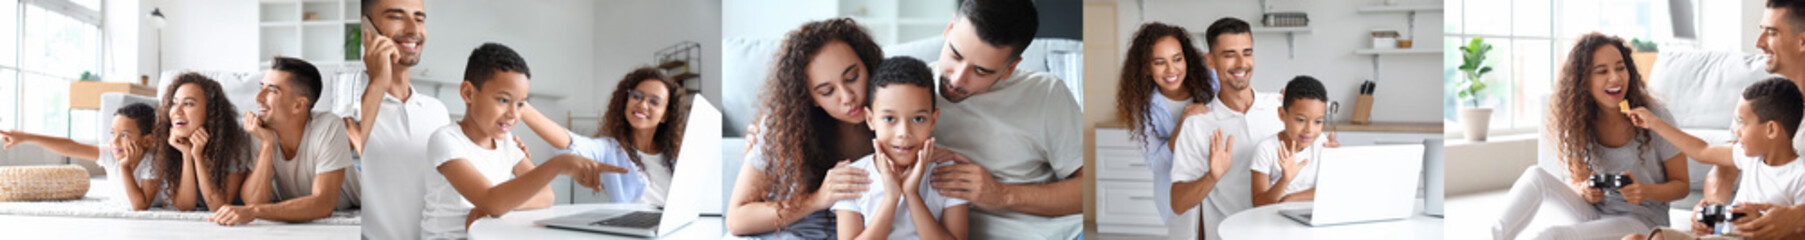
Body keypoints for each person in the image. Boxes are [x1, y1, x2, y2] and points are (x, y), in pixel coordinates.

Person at [1492, 32, 1689, 239]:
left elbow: (1682, 185)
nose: (1615, 77)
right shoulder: (1579, 121)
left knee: (1551, 235)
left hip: (1641, 221)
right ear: (1584, 81)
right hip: (1595, 212)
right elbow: (1578, 180)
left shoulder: (1654, 116)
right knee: (1536, 176)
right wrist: (1584, 190)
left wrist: (1645, 191)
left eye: (1621, 68)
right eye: (1602, 71)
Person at [419, 43, 626, 238]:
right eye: (503, 100)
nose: (513, 114)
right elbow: (492, 200)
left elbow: (546, 196)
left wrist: (495, 207)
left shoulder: (506, 142)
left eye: (520, 104)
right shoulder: (446, 140)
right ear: (468, 93)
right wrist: (559, 163)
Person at [921, 0, 1083, 238]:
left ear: (1010, 68)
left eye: (980, 71)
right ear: (950, 28)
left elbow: (1093, 191)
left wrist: (1002, 195)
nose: (957, 80)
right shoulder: (909, 91)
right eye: (955, 55)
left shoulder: (1046, 94)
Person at [726, 18, 885, 239]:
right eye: (827, 91)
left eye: (852, 77)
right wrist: (817, 199)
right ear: (811, 98)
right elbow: (737, 219)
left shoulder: (895, 108)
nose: (847, 97)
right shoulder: (784, 127)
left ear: (868, 65)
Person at [1623, 78, 1805, 239]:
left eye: (1743, 123)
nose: (1737, 130)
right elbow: (1701, 150)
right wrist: (1653, 122)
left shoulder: (1799, 176)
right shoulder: (1749, 157)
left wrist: (1762, 226)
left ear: (1771, 129)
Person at [1167, 17, 1283, 240]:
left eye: (1247, 53)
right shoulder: (1198, 124)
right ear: (1210, 61)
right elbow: (1179, 203)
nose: (1241, 63)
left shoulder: (1279, 109)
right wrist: (1212, 176)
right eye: (1230, 55)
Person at [208, 57, 361, 225]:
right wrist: (267, 144)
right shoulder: (261, 131)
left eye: (272, 90)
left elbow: (323, 204)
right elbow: (254, 200)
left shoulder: (328, 126)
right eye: (261, 87)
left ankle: (353, 130)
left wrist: (255, 212)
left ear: (298, 105)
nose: (259, 97)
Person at [833, 56, 970, 240]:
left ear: (933, 120)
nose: (904, 133)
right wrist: (891, 198)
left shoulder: (949, 174)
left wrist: (912, 195)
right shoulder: (853, 178)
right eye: (890, 119)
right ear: (871, 120)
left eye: (918, 119)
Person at [517, 67, 689, 205]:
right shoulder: (610, 149)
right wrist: (519, 105)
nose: (643, 105)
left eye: (654, 101)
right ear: (625, 101)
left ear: (665, 115)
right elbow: (569, 142)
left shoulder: (678, 153)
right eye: (637, 96)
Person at [356, 0, 455, 238]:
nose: (413, 29)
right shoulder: (347, 107)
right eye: (396, 16)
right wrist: (378, 82)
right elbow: (339, 163)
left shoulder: (436, 110)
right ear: (365, 29)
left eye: (419, 19)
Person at [1113, 22, 1216, 234]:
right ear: (1147, 69)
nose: (1171, 69)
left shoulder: (1209, 79)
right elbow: (1156, 164)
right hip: (1180, 192)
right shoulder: (1144, 107)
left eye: (1177, 59)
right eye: (1160, 62)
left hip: (1219, 184)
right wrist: (1181, 126)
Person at [0, 103, 165, 210]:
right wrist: (27, 137)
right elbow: (71, 147)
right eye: (112, 133)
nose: (114, 141)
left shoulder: (152, 161)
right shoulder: (111, 153)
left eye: (124, 135)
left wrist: (124, 167)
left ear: (147, 140)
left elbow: (139, 205)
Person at [154, 73, 256, 212]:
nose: (177, 111)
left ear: (209, 112)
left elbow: (219, 207)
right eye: (175, 103)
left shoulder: (236, 140)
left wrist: (198, 156)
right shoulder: (170, 140)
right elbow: (185, 206)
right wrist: (186, 155)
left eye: (188, 104)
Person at [1249, 76, 1329, 207]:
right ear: (1282, 114)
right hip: (1273, 221)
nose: (1309, 130)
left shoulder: (1321, 143)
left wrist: (1291, 198)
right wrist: (1285, 180)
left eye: (1318, 122)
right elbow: (1258, 203)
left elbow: (1329, 189)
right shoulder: (1266, 149)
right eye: (1300, 120)